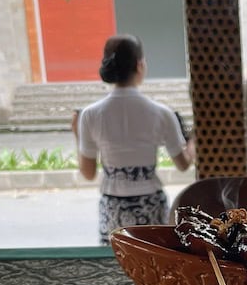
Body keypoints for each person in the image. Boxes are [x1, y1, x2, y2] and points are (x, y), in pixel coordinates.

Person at [74, 35, 194, 243]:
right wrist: (194, 143)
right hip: (151, 205)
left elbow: (88, 173)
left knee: (114, 265)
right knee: (154, 265)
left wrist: (77, 135)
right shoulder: (161, 112)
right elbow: (183, 164)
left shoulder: (90, 115)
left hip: (112, 207)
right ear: (140, 65)